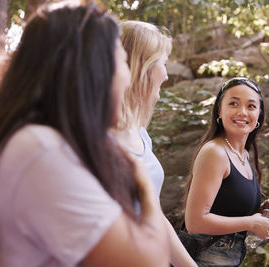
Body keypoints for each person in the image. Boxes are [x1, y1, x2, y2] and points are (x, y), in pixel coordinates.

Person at [0, 2, 171, 266]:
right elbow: (148, 260)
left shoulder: (49, 141)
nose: (127, 78)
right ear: (94, 70)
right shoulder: (43, 149)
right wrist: (142, 182)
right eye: (122, 62)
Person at [114, 20, 197, 267]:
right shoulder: (98, 139)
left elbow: (155, 218)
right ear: (142, 66)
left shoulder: (140, 134)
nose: (166, 74)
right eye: (163, 62)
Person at [183, 77, 269, 266]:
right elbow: (195, 222)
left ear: (259, 116)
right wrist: (250, 223)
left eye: (251, 106)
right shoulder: (215, 152)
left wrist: (261, 212)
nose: (242, 112)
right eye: (233, 103)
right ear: (219, 112)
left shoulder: (242, 154)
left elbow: (226, 209)